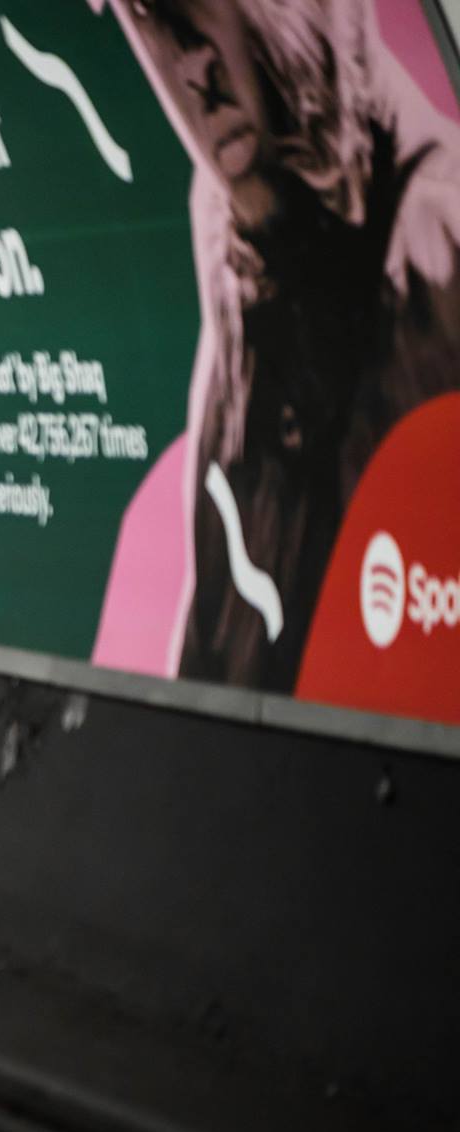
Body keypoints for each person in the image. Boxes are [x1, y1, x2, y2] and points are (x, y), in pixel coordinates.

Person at [107, 0, 460, 687]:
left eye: (201, 11)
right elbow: (215, 620)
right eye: (148, 19)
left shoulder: (431, 244)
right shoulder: (234, 231)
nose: (189, 65)